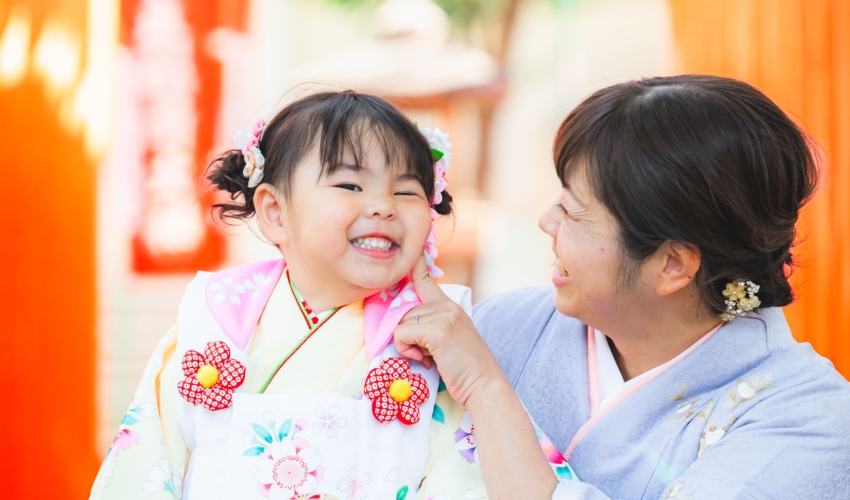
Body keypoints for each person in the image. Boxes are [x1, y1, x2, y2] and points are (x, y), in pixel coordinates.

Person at [90, 91, 573, 500]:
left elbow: (462, 477)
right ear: (275, 211)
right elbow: (145, 470)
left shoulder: (436, 339)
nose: (383, 207)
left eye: (406, 192)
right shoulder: (212, 323)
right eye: (349, 184)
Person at [394, 75, 850, 499]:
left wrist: (484, 388)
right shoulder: (502, 326)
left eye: (573, 211)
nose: (546, 222)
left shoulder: (808, 421)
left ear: (672, 264)